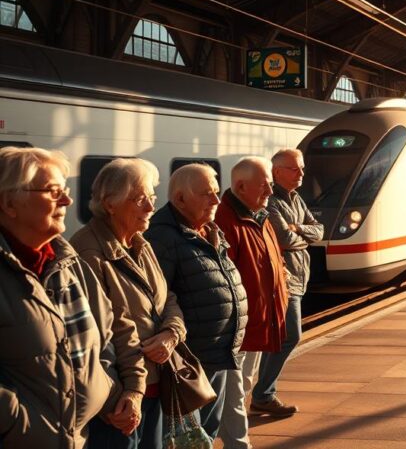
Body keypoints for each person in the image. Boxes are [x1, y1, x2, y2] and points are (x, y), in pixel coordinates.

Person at [0, 147, 145, 449]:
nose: (67, 200)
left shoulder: (67, 262)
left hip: (78, 437)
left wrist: (115, 394)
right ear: (8, 203)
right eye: (53, 192)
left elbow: (105, 336)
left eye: (64, 190)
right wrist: (20, 425)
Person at [71, 159, 186, 449]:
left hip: (154, 385)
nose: (150, 207)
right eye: (140, 199)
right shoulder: (89, 252)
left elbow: (167, 298)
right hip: (120, 402)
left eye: (152, 198)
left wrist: (172, 333)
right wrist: (119, 401)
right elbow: (98, 337)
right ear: (110, 204)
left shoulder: (139, 243)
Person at [146, 164, 248, 445]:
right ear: (180, 199)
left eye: (216, 193)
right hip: (191, 361)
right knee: (188, 437)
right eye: (207, 194)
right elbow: (159, 298)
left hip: (218, 352)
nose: (216, 201)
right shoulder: (163, 237)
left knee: (207, 433)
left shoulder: (208, 230)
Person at [214, 157, 289, 447]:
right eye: (264, 185)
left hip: (258, 319)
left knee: (243, 385)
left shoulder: (260, 215)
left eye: (270, 183)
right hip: (238, 326)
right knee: (233, 393)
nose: (270, 191)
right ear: (241, 186)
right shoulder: (224, 220)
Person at [252, 149, 323, 416]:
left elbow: (319, 228)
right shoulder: (272, 201)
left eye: (302, 168)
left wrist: (299, 230)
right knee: (291, 335)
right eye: (295, 169)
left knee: (281, 336)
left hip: (298, 276)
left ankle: (263, 392)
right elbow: (283, 238)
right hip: (284, 279)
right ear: (277, 171)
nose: (302, 174)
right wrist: (300, 233)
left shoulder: (295, 199)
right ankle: (263, 393)